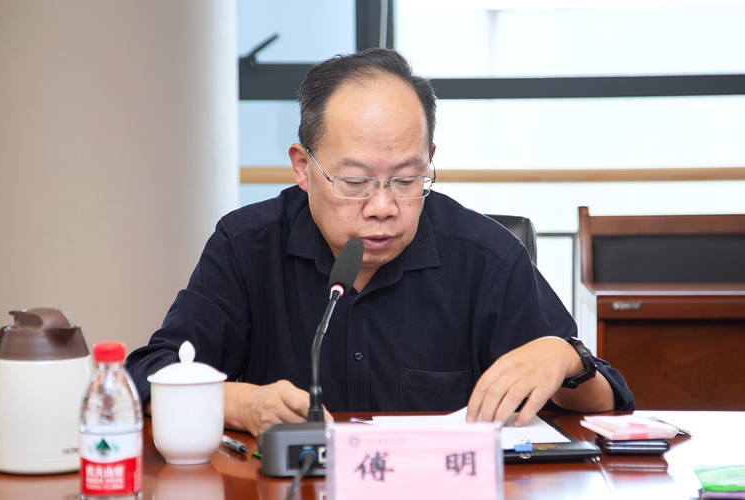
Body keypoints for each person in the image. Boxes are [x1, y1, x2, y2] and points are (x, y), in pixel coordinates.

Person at [126, 48, 634, 437]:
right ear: (303, 167)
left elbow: (610, 406)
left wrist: (565, 360)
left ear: (429, 160)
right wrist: (243, 404)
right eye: (354, 182)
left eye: (408, 179)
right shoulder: (246, 246)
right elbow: (148, 374)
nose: (383, 206)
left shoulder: (485, 256)